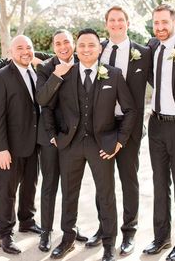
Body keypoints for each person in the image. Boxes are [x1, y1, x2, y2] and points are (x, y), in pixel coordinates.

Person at [44, 28, 137, 261]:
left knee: (106, 195)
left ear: (100, 48)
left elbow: (130, 110)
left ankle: (108, 245)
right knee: (69, 194)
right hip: (70, 144)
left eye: (91, 45)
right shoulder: (65, 72)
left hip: (102, 145)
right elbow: (45, 103)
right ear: (76, 48)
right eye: (82, 45)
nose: (86, 49)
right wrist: (53, 134)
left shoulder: (113, 75)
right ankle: (67, 239)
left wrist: (119, 140)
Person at [86, 6, 151, 256]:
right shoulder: (96, 48)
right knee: (103, 183)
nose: (116, 24)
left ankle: (129, 232)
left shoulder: (143, 53)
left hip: (129, 126)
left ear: (128, 22)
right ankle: (104, 229)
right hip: (101, 127)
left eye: (120, 20)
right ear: (106, 24)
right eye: (111, 20)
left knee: (128, 180)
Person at [143, 4, 175, 261]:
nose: (160, 28)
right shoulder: (151, 46)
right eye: (156, 23)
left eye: (164, 22)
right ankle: (161, 237)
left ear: (174, 21)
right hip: (156, 125)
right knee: (160, 184)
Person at [36, 29, 88, 252]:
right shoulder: (45, 68)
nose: (63, 46)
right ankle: (46, 232)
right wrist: (57, 75)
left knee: (71, 186)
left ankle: (71, 228)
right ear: (53, 47)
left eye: (66, 42)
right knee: (49, 185)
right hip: (50, 137)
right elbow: (43, 101)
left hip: (74, 137)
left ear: (73, 43)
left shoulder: (82, 64)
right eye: (58, 43)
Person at [0, 35, 41, 255]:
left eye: (29, 47)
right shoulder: (0, 77)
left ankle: (27, 220)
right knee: (7, 191)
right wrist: (1, 148)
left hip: (33, 144)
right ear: (11, 52)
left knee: (30, 186)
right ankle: (4, 234)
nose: (25, 51)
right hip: (9, 147)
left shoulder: (36, 72)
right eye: (20, 48)